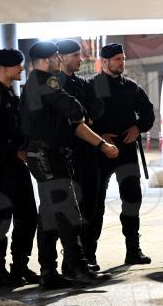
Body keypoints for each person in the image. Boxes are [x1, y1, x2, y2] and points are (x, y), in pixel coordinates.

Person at [20, 41, 118, 290]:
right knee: (67, 211)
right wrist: (79, 111)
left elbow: (73, 119)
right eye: (56, 56)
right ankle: (77, 267)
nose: (59, 59)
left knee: (50, 215)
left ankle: (49, 271)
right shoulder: (45, 81)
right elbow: (74, 109)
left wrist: (100, 144)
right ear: (46, 60)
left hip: (45, 154)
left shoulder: (34, 83)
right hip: (48, 155)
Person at [0, 49, 39, 288]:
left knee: (28, 215)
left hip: (17, 163)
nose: (22, 69)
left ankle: (19, 265)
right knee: (0, 219)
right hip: (0, 163)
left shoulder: (11, 94)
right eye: (18, 65)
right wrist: (14, 150)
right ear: (4, 68)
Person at [89, 43, 155, 266]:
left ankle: (133, 250)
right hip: (100, 151)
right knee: (95, 203)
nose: (122, 63)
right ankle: (89, 254)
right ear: (104, 62)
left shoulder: (131, 87)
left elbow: (147, 113)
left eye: (123, 58)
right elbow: (84, 118)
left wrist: (138, 127)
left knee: (132, 199)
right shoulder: (93, 86)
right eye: (117, 59)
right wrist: (100, 136)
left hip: (126, 149)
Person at [56, 39, 105, 273]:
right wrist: (82, 119)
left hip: (88, 153)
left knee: (91, 207)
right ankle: (71, 260)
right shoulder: (54, 85)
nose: (80, 59)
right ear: (62, 57)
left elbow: (97, 108)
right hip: (66, 154)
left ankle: (88, 254)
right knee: (69, 210)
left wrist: (84, 118)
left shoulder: (84, 85)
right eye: (76, 55)